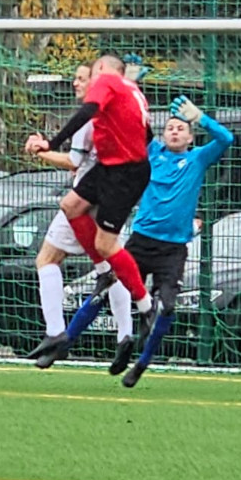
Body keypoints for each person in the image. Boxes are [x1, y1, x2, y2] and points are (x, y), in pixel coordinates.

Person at [39, 95, 233, 387]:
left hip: (172, 250)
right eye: (170, 127)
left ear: (191, 136)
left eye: (181, 128)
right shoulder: (151, 152)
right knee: (105, 289)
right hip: (141, 242)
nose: (175, 131)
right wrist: (125, 89)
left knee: (166, 307)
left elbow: (226, 138)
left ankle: (142, 363)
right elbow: (135, 123)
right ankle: (63, 342)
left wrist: (199, 116)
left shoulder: (197, 159)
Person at [25, 54, 156, 342]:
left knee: (101, 246)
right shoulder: (134, 93)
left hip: (122, 172)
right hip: (109, 169)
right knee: (71, 206)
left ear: (100, 70)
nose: (80, 83)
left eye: (85, 77)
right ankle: (119, 321)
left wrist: (49, 144)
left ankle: (145, 306)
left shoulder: (107, 81)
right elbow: (147, 134)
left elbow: (87, 115)